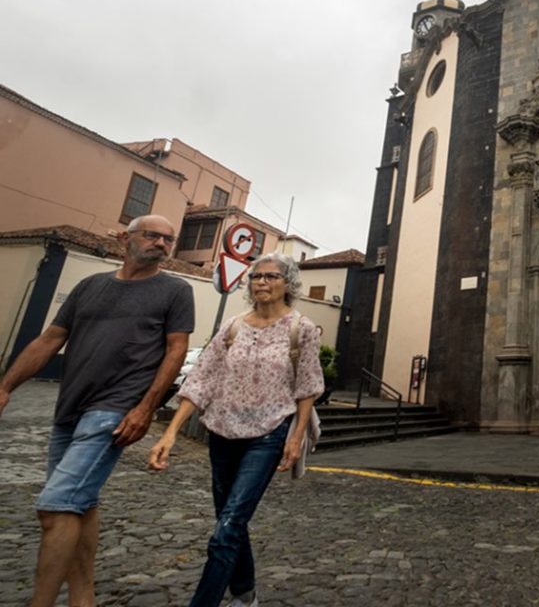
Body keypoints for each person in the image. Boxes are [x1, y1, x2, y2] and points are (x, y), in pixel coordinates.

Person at [0, 215, 194, 607]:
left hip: (114, 411)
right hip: (69, 409)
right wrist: (5, 386)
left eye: (168, 239)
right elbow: (51, 339)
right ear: (126, 238)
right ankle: (82, 599)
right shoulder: (89, 286)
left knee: (55, 507)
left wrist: (144, 408)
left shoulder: (175, 290)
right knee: (79, 506)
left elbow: (176, 352)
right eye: (152, 235)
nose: (161, 243)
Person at [149, 252, 323, 607]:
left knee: (226, 528)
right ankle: (245, 593)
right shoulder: (233, 326)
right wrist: (169, 433)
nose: (261, 282)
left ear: (287, 283)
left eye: (271, 276)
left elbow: (307, 387)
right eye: (256, 277)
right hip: (222, 431)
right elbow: (201, 380)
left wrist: (296, 436)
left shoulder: (301, 328)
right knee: (229, 520)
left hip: (270, 432)